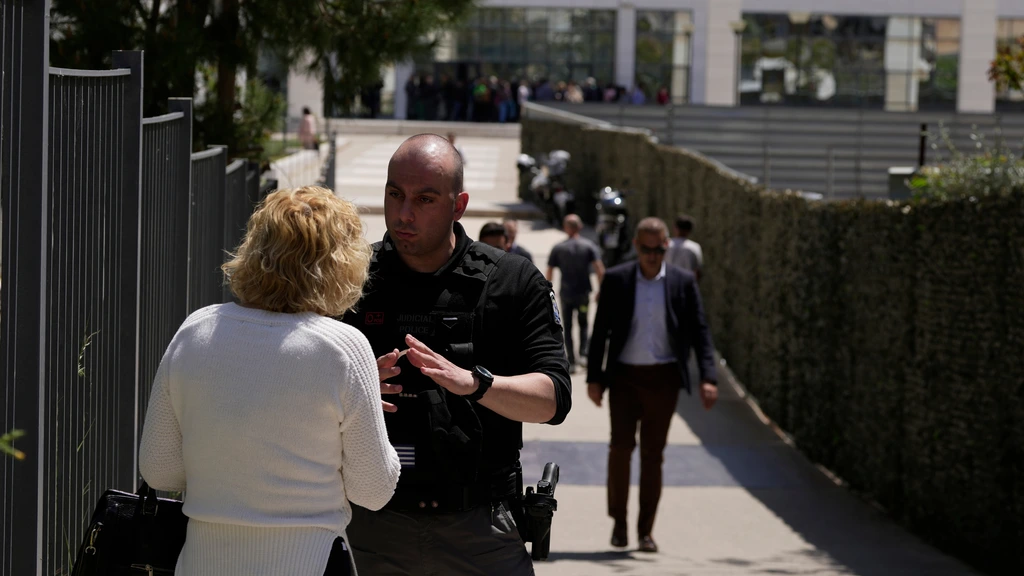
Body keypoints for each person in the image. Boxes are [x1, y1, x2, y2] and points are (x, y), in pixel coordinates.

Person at [139, 186, 401, 576]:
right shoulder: (343, 348)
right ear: (342, 263)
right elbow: (374, 490)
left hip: (203, 560)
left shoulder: (196, 330)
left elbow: (158, 468)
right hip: (310, 561)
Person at [342, 134, 572, 575]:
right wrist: (351, 382)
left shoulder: (512, 281)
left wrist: (476, 384)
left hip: (480, 529)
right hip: (371, 526)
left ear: (459, 205)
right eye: (395, 194)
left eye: (425, 199)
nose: (404, 213)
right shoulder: (350, 278)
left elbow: (553, 399)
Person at [586, 217, 718, 554]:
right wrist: (595, 378)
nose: (652, 256)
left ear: (666, 247)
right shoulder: (617, 280)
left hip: (664, 379)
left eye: (658, 249)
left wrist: (708, 377)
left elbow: (700, 332)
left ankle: (646, 531)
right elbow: (600, 331)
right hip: (625, 378)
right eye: (646, 249)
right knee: (620, 449)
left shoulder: (683, 282)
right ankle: (618, 520)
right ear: (636, 247)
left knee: (652, 456)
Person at [546, 214, 605, 372]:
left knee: (567, 325)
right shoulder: (589, 246)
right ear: (580, 227)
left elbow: (549, 272)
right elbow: (599, 269)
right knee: (584, 323)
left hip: (566, 295)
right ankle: (584, 354)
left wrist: (547, 293)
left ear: (566, 227)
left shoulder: (558, 248)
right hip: (583, 294)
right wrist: (602, 289)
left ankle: (571, 360)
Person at [666, 213, 704, 281]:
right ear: (690, 230)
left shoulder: (666, 244)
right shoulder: (694, 247)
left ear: (675, 228)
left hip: (667, 282)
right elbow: (697, 271)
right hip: (686, 283)